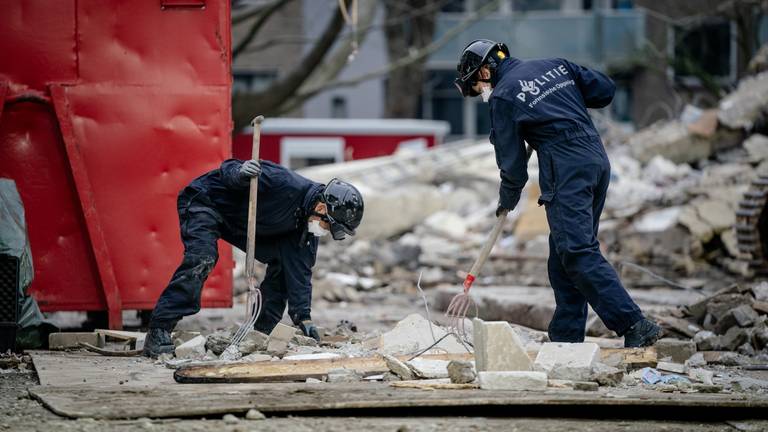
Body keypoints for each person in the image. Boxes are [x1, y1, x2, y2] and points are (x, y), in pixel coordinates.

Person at [454, 39, 661, 347]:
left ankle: (634, 324)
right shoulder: (555, 65)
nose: (482, 94)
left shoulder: (504, 98)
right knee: (564, 255)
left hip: (565, 167)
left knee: (577, 252)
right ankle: (566, 339)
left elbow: (512, 166)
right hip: (595, 159)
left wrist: (507, 200)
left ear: (485, 71)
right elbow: (603, 90)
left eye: (477, 87)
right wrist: (560, 100)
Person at [143, 159, 364, 357]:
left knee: (284, 266)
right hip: (207, 201)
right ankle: (160, 329)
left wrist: (303, 318)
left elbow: (300, 275)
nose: (325, 231)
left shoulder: (306, 231)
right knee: (203, 257)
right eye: (328, 225)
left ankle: (262, 331)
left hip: (242, 222)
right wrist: (239, 174)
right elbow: (228, 168)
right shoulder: (283, 182)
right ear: (321, 207)